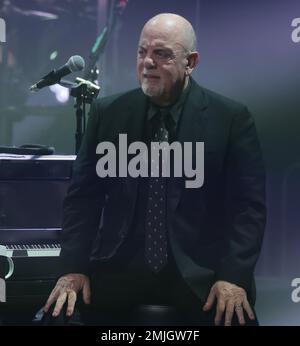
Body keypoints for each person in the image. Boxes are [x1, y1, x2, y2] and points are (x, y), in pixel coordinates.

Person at [43, 13, 266, 326]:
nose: (147, 62)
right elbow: (83, 200)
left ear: (191, 62)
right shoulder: (108, 113)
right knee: (56, 316)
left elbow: (248, 209)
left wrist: (233, 277)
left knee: (235, 318)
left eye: (161, 54)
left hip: (200, 274)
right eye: (142, 52)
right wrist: (73, 268)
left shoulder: (230, 119)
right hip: (119, 270)